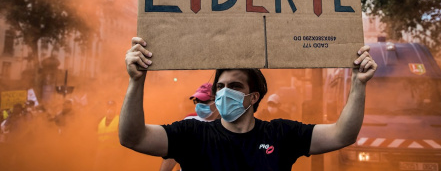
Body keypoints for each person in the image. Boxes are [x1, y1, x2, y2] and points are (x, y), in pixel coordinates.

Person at [120, 37, 377, 170]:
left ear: (253, 97)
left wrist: (359, 83)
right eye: (220, 87)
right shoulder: (192, 134)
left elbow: (343, 134)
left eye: (235, 86)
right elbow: (133, 138)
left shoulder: (281, 134)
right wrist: (136, 81)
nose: (223, 93)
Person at [159, 82, 220, 171]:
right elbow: (173, 153)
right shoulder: (189, 121)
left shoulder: (228, 125)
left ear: (218, 100)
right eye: (197, 101)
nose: (199, 105)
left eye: (204, 101)